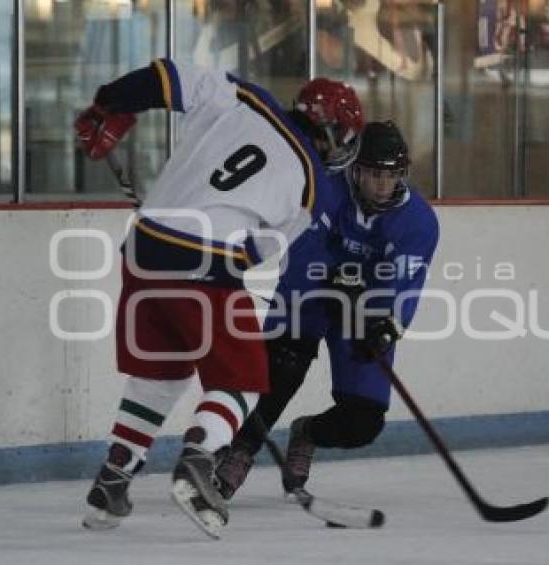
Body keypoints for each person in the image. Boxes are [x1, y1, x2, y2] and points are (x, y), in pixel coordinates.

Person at [73, 58, 364, 538]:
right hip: (204, 261)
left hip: (143, 247)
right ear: (332, 134)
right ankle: (198, 461)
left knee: (159, 375)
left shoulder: (237, 95)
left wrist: (110, 105)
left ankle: (112, 482)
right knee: (244, 379)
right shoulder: (312, 188)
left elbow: (162, 78)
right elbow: (256, 253)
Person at [213, 120, 439, 499]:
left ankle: (307, 433)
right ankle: (239, 451)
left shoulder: (418, 220)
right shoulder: (325, 191)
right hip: (308, 297)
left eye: (393, 176)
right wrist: (332, 281)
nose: (384, 186)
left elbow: (405, 284)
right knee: (280, 371)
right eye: (374, 175)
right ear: (356, 168)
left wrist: (386, 325)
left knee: (363, 422)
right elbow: (301, 260)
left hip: (362, 307)